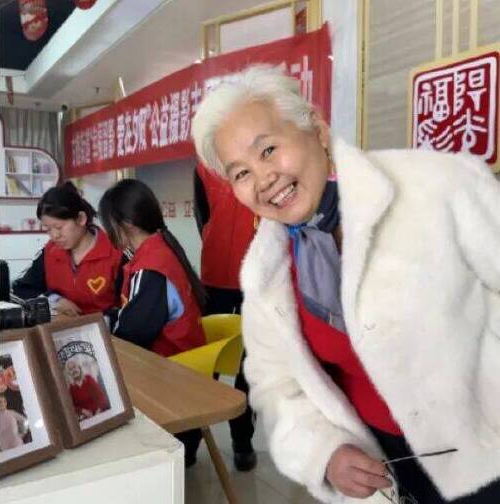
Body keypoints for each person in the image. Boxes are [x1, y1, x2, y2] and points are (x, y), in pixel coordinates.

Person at [191, 64, 500, 504]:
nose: (263, 179)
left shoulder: (437, 186)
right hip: (387, 468)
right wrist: (325, 452)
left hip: (489, 449)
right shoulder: (266, 272)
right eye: (240, 173)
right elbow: (276, 385)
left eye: (269, 150)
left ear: (316, 130)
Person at [99, 179, 207, 466]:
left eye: (109, 224)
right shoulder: (160, 249)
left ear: (127, 224)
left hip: (170, 379)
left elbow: (132, 334)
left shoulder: (152, 267)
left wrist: (102, 325)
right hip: (183, 371)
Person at [194, 163, 257, 471]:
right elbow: (202, 216)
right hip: (214, 278)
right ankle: (189, 441)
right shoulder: (204, 167)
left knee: (249, 366)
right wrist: (215, 241)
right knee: (206, 365)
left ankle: (242, 442)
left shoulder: (262, 159)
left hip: (256, 278)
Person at [12, 182, 123, 317]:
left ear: (81, 219)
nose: (54, 235)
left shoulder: (116, 254)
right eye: (47, 229)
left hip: (105, 328)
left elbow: (129, 308)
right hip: (61, 327)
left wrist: (100, 321)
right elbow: (22, 288)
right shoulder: (50, 251)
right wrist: (54, 300)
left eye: (59, 227)